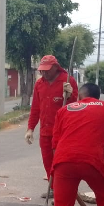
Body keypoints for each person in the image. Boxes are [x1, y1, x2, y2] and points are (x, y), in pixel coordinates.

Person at [25, 55, 78, 198]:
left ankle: (65, 191)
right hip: (45, 131)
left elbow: (76, 108)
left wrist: (71, 95)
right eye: (42, 70)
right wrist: (30, 128)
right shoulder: (39, 84)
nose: (44, 73)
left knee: (62, 164)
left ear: (56, 67)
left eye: (47, 70)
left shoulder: (68, 81)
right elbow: (36, 108)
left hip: (63, 132)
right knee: (48, 162)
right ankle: (54, 189)